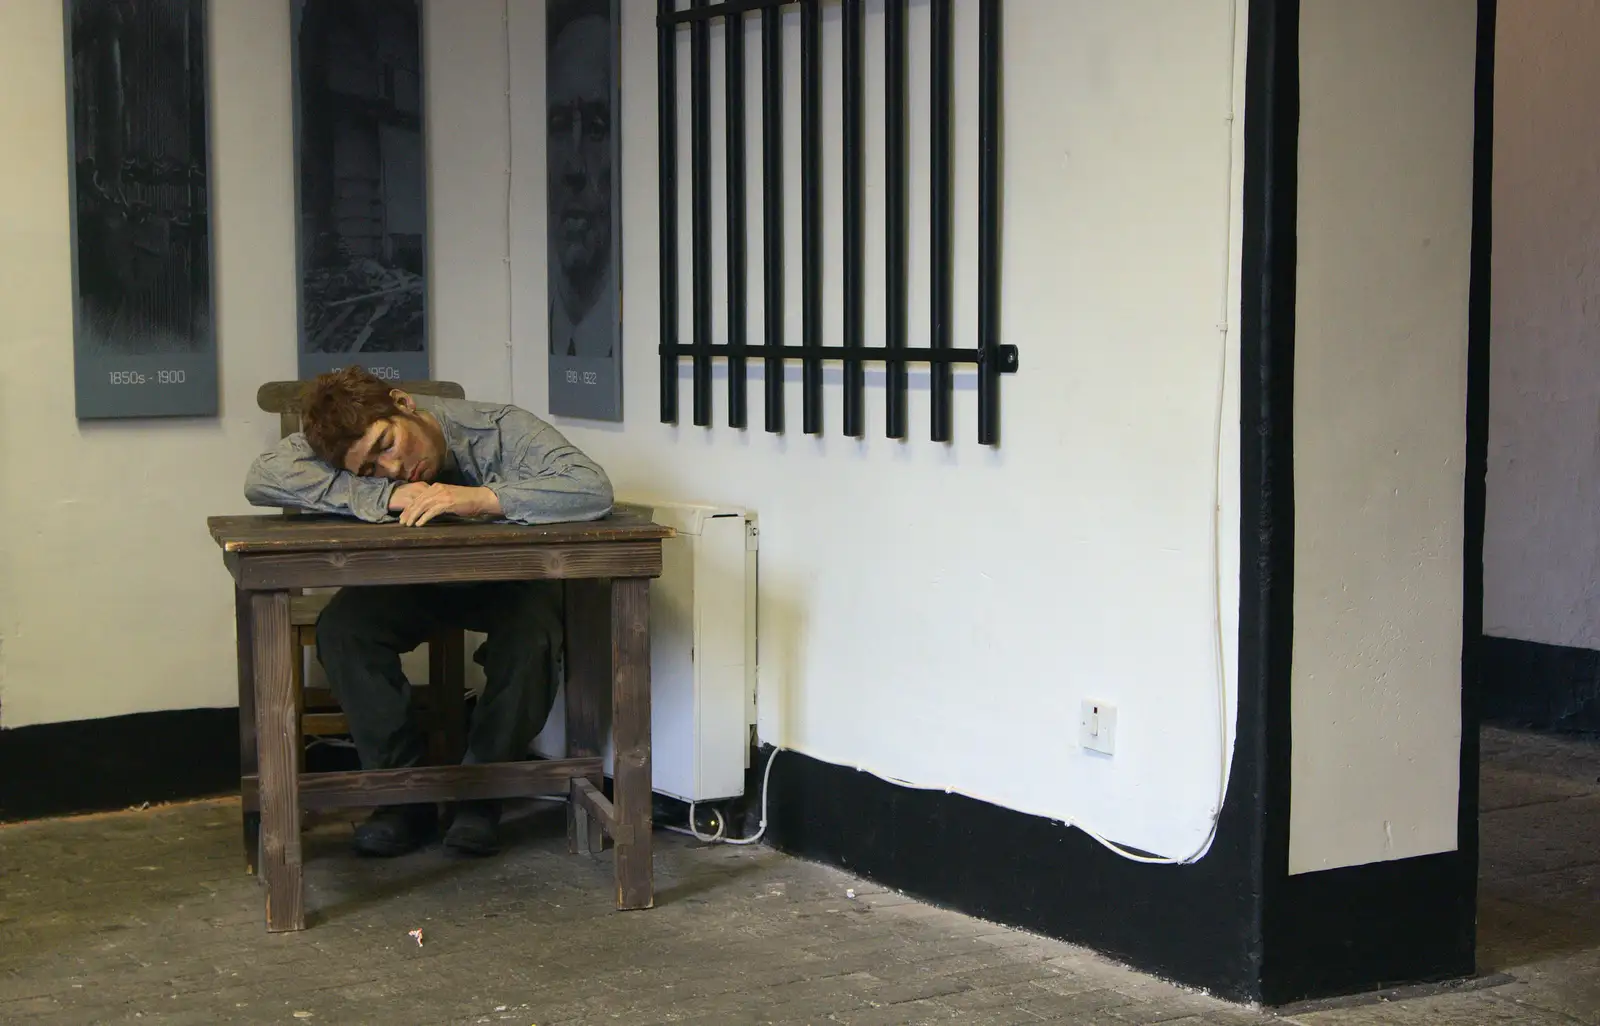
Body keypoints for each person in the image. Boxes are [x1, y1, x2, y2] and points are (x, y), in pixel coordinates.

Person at [243, 366, 614, 857]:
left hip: (504, 583)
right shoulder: (360, 459)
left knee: (535, 635)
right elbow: (263, 477)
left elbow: (593, 488)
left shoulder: (500, 428)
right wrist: (386, 494)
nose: (392, 467)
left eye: (386, 446)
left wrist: (482, 499)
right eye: (370, 468)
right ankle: (403, 797)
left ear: (404, 403)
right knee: (344, 630)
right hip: (407, 581)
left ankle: (482, 794)